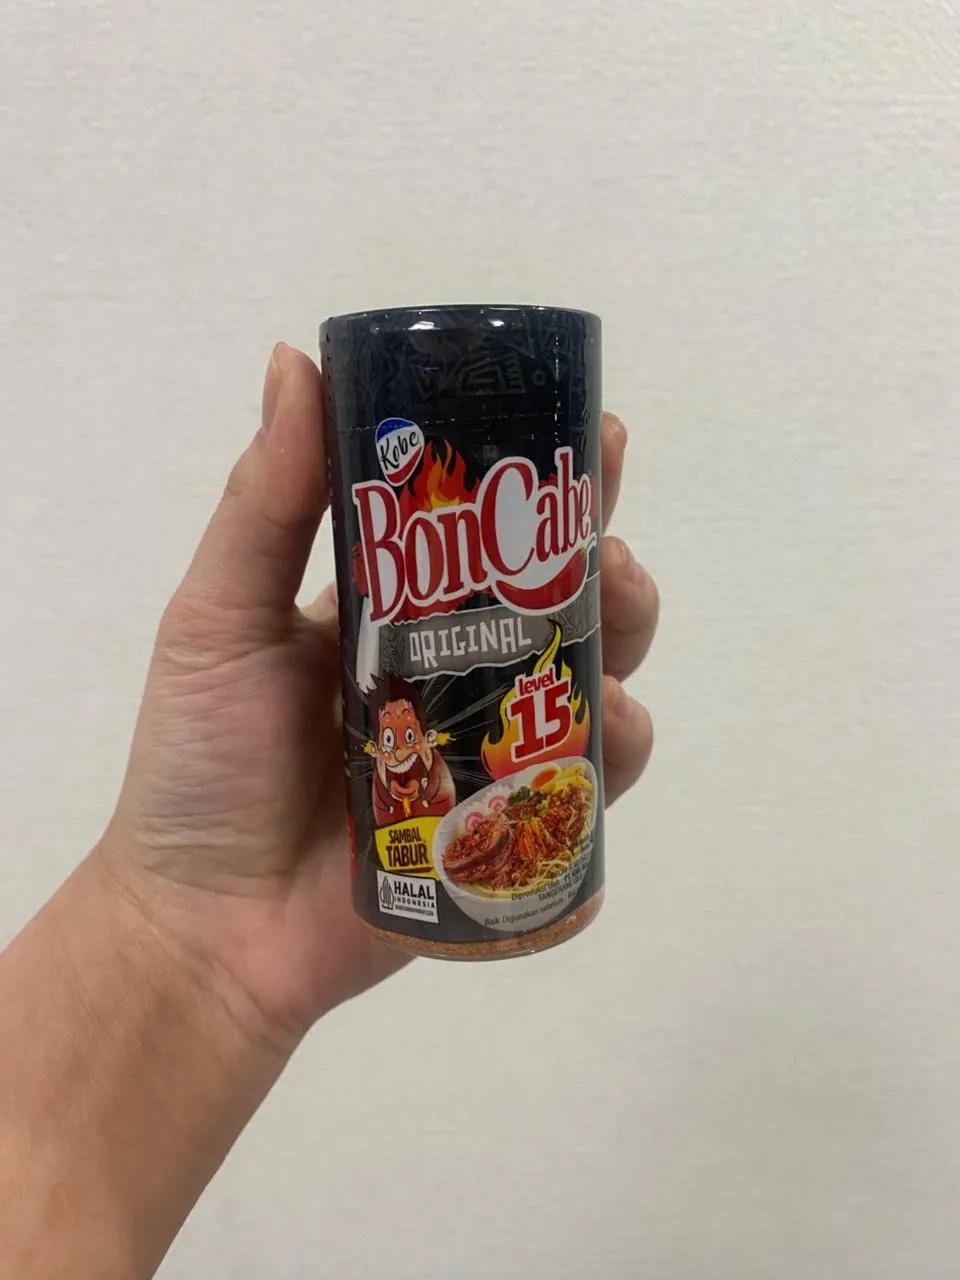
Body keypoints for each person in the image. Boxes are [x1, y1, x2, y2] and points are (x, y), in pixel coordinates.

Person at [0, 344, 659, 1278]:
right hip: (388, 859)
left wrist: (179, 949)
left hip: (489, 830)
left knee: (591, 673)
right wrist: (174, 930)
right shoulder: (386, 712)